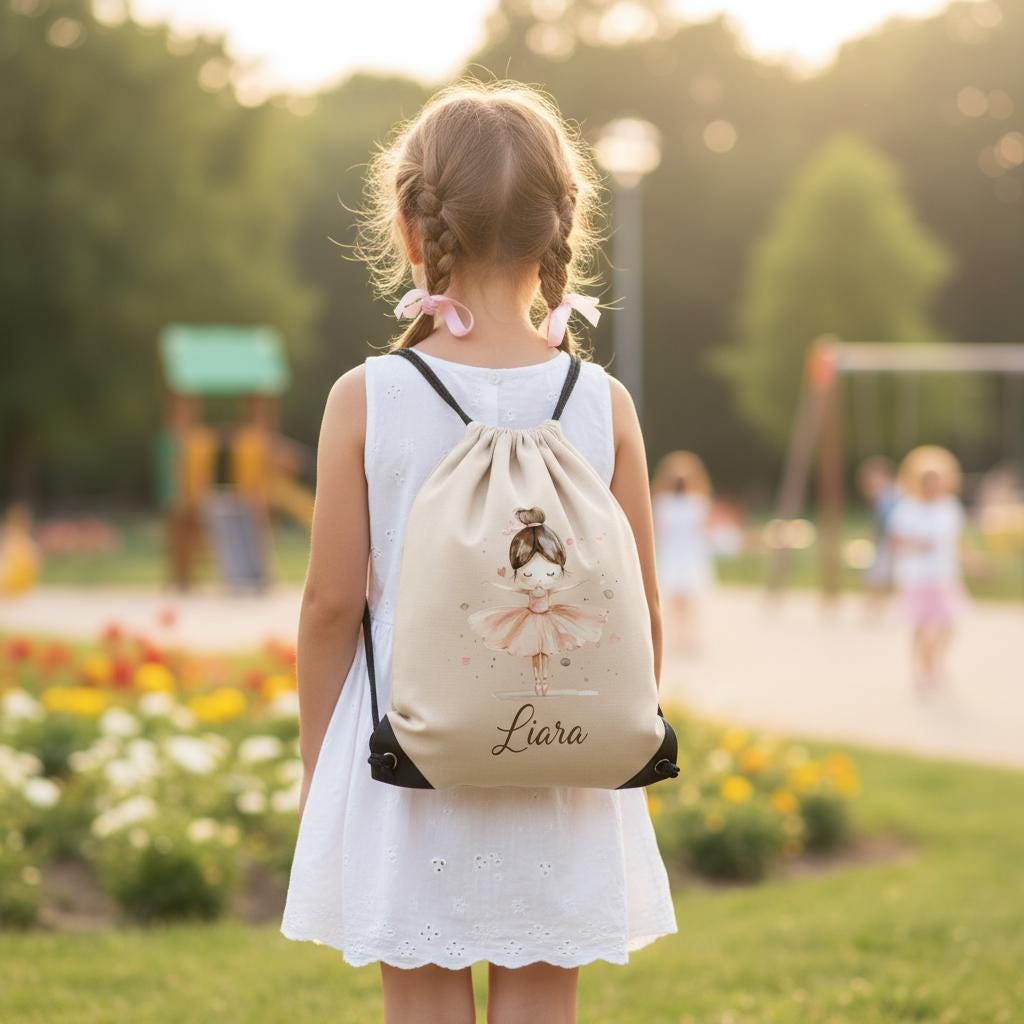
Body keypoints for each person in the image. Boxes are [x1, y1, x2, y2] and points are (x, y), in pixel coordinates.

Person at [280, 80, 676, 1024]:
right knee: (544, 997)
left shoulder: (367, 396)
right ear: (559, 226)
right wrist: (594, 736)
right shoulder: (601, 402)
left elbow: (332, 605)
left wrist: (313, 764)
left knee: (422, 999)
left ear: (415, 231)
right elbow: (643, 612)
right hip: (561, 765)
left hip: (408, 761)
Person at [889, 446, 967, 696]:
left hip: (944, 574)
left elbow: (957, 541)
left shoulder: (950, 507)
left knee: (949, 622)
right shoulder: (907, 507)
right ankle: (922, 668)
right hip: (917, 575)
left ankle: (934, 661)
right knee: (922, 625)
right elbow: (896, 540)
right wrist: (917, 544)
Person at [651, 451, 715, 653]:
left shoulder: (692, 503)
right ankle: (681, 636)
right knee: (678, 598)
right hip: (679, 554)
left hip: (684, 554)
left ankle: (685, 636)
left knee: (684, 597)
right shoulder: (691, 503)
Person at [856, 455, 900, 617]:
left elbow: (890, 521)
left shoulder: (891, 494)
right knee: (878, 575)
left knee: (877, 575)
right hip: (887, 541)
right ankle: (875, 607)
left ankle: (874, 607)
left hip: (891, 541)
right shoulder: (887, 494)